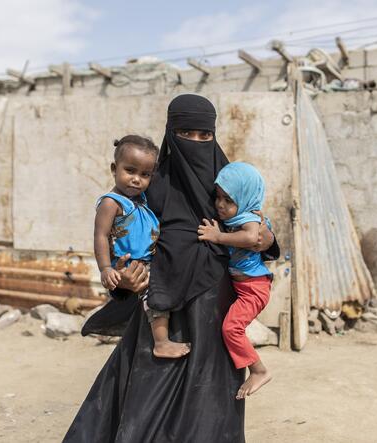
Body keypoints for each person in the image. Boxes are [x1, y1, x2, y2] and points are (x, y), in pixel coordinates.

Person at [64, 94, 279, 443]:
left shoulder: (225, 181)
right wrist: (124, 281)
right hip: (164, 309)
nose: (195, 143)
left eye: (204, 136)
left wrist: (266, 237)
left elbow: (256, 227)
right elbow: (125, 241)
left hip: (214, 311)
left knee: (209, 406)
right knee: (146, 404)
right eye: (185, 134)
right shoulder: (152, 184)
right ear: (170, 132)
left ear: (214, 136)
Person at [94, 135, 190, 359]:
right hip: (131, 264)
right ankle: (161, 342)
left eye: (145, 174)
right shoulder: (112, 203)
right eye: (130, 171)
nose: (136, 179)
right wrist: (106, 268)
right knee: (155, 300)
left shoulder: (141, 199)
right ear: (114, 168)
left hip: (148, 261)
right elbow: (101, 235)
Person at [197, 162, 273, 400]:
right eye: (218, 197)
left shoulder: (249, 217)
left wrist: (218, 236)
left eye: (228, 200)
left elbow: (252, 237)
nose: (220, 204)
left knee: (232, 328)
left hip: (254, 288)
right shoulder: (238, 216)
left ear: (245, 196)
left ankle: (259, 370)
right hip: (244, 287)